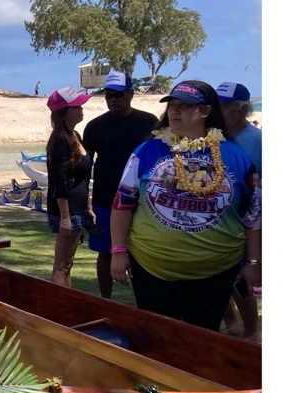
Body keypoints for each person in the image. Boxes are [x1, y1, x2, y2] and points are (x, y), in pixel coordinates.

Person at [110, 81, 262, 330]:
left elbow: (253, 215)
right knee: (157, 337)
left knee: (202, 340)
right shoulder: (147, 151)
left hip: (215, 273)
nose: (174, 111)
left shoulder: (236, 156)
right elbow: (122, 204)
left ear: (204, 111)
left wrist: (254, 264)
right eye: (172, 105)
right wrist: (118, 252)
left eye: (184, 106)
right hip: (152, 270)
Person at [82, 71, 158, 299]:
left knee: (144, 252)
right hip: (105, 198)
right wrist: (85, 201)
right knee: (106, 252)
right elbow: (86, 165)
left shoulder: (149, 123)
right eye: (108, 96)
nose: (113, 100)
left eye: (118, 95)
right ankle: (106, 300)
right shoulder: (95, 126)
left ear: (131, 94)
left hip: (143, 201)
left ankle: (145, 302)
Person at [217, 81, 263, 339]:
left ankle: (252, 331)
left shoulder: (258, 140)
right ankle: (232, 323)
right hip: (218, 220)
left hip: (248, 221)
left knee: (243, 278)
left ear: (242, 108)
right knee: (217, 275)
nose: (220, 110)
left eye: (225, 105)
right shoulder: (214, 138)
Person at [45, 87, 95, 289]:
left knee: (68, 263)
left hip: (77, 208)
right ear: (63, 113)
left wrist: (88, 206)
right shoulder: (60, 140)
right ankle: (57, 310)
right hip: (67, 211)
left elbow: (81, 178)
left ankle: (67, 303)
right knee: (62, 265)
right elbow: (59, 180)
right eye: (76, 106)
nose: (81, 109)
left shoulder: (74, 135)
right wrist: (65, 217)